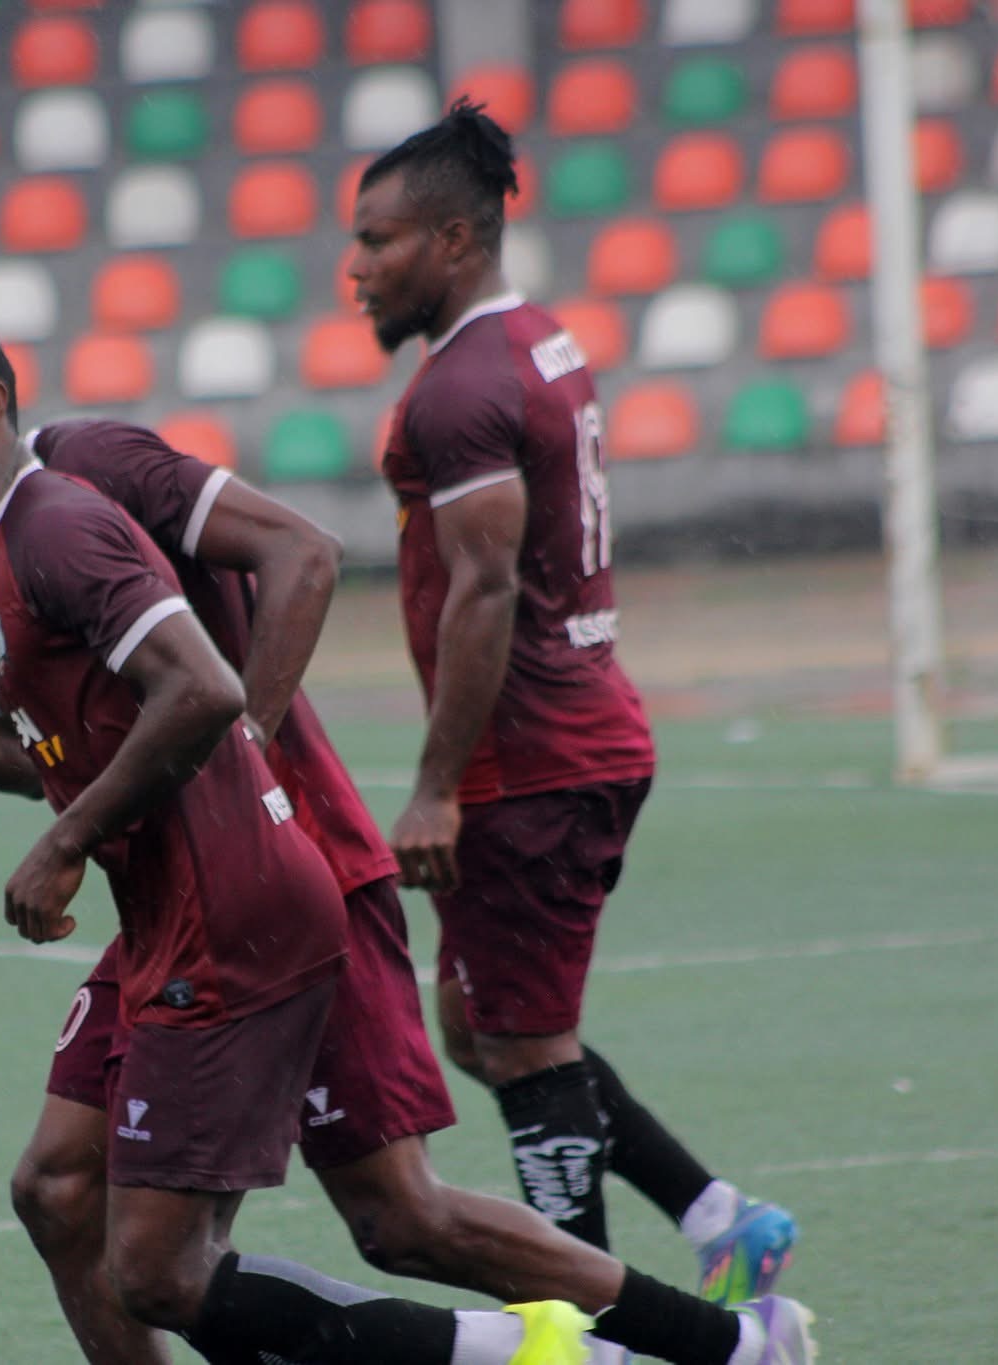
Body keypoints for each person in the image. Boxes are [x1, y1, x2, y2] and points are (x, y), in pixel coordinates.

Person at [0, 354, 811, 1365]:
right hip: (186, 885)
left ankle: (700, 1347)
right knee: (61, 1192)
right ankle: (691, 1332)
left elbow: (300, 551)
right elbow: (47, 760)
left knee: (389, 1220)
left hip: (277, 871)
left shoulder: (79, 481)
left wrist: (239, 762)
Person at [349, 101, 801, 1317]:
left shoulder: (460, 392)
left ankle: (587, 1328)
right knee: (481, 1033)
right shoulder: (540, 342)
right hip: (573, 732)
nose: (355, 268)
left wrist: (436, 785)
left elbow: (486, 585)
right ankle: (718, 1218)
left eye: (378, 241)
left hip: (532, 761)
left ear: (452, 238)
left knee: (525, 1048)